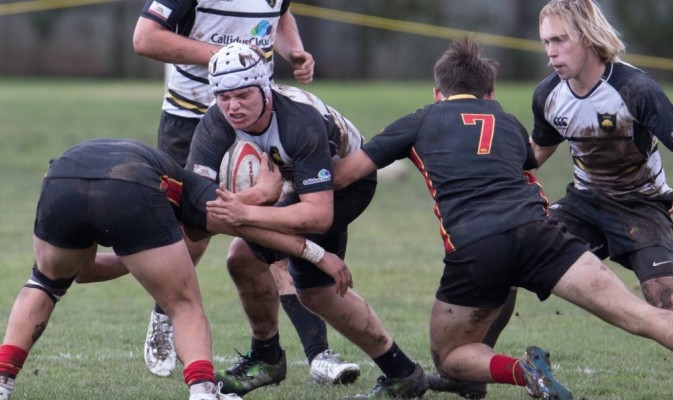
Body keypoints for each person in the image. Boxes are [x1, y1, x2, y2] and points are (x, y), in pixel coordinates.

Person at [331, 35, 673, 399]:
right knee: (642, 317)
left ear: (437, 93)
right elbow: (527, 161)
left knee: (450, 357)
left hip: (478, 249)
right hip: (543, 235)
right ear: (491, 93)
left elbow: (344, 175)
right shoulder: (508, 122)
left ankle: (519, 369)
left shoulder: (420, 119)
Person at [0, 138, 353, 400]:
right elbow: (246, 226)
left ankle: (2, 380)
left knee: (43, 284)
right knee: (183, 305)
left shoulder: (172, 177)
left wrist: (138, 256)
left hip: (60, 179)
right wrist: (317, 254)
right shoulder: (194, 190)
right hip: (130, 186)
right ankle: (202, 391)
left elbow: (83, 270)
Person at [126, 0, 353, 382]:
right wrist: (230, 62)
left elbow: (279, 18)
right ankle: (166, 311)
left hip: (263, 116)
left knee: (278, 225)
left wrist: (292, 49)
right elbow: (145, 38)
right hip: (192, 116)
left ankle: (318, 354)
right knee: (191, 230)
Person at [195, 42, 430, 399]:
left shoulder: (299, 122)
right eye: (223, 96)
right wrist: (255, 198)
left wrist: (248, 209)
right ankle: (271, 356)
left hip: (343, 184)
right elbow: (199, 204)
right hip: (293, 186)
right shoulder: (216, 120)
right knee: (257, 265)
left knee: (309, 290)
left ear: (265, 87)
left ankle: (398, 373)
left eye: (243, 95)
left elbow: (318, 216)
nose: (232, 106)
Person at [531, 0, 673, 311]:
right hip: (584, 205)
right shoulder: (548, 96)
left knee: (667, 300)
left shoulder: (635, 89)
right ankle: (470, 358)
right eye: (546, 41)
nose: (551, 51)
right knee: (507, 260)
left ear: (586, 37)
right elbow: (538, 151)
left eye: (559, 40)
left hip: (642, 206)